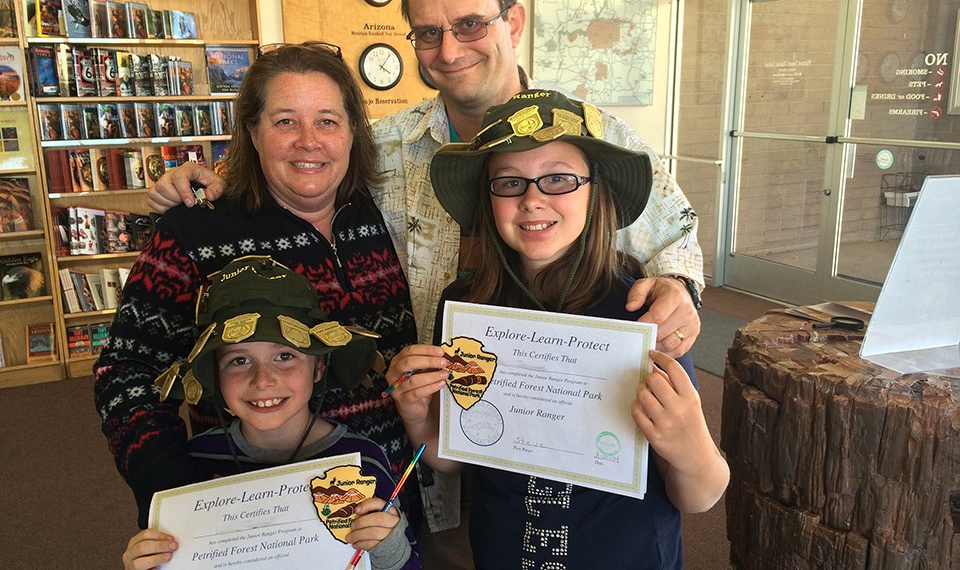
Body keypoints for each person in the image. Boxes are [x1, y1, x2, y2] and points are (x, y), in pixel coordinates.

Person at [147, 0, 703, 361]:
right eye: (428, 32)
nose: (449, 49)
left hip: (552, 419)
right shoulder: (385, 144)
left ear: (513, 23)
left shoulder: (596, 137)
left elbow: (675, 231)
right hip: (424, 430)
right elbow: (299, 159)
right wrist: (209, 178)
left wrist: (679, 289)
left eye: (469, 24)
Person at [386, 90, 729, 567]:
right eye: (509, 183)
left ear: (597, 190)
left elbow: (701, 496)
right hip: (505, 550)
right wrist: (418, 416)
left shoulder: (639, 311)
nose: (531, 200)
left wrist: (690, 445)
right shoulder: (466, 307)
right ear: (487, 199)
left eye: (559, 179)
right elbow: (456, 454)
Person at [93, 43, 423, 531]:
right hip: (256, 512)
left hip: (383, 502)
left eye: (328, 121)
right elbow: (125, 371)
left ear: (353, 131)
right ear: (253, 131)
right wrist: (174, 491)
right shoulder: (197, 232)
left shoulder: (379, 211)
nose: (309, 141)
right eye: (286, 121)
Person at [122, 256, 420, 570]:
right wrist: (149, 561)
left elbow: (409, 564)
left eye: (284, 355)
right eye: (239, 360)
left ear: (318, 366)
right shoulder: (194, 464)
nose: (263, 380)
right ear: (216, 375)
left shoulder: (364, 461)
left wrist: (388, 547)